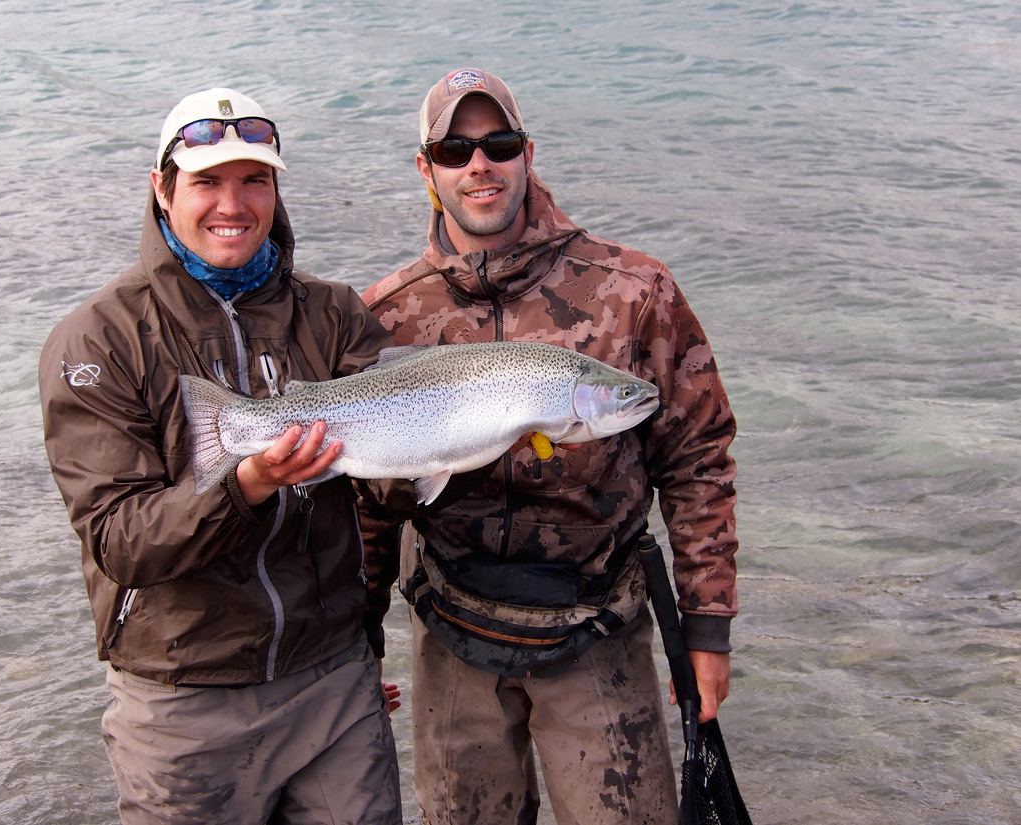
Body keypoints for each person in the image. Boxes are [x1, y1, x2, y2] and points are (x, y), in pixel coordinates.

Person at [358, 68, 740, 825]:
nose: (479, 165)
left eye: (498, 143)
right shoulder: (384, 315)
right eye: (454, 148)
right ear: (425, 168)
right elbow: (364, 510)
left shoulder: (633, 290)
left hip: (597, 634)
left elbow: (699, 459)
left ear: (527, 151)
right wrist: (358, 640)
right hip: (451, 636)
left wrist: (707, 626)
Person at [39, 87, 402, 825]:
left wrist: (484, 435)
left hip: (333, 684)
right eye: (206, 181)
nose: (232, 204)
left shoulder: (333, 313)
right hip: (182, 702)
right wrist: (247, 484)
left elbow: (387, 491)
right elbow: (120, 541)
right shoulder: (99, 339)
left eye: (254, 180)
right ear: (162, 188)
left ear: (276, 190)